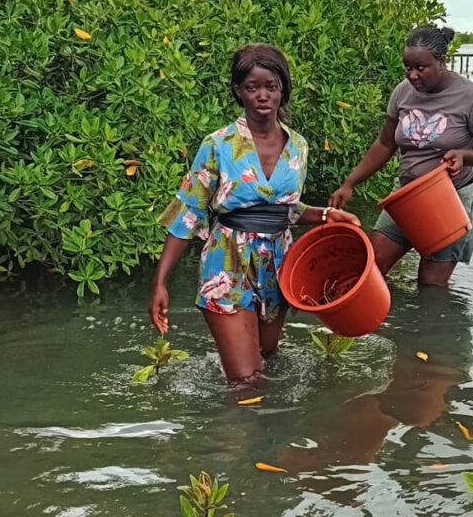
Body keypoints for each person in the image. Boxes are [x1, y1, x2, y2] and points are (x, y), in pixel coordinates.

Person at [149, 44, 360, 384]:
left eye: (271, 87)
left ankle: (263, 433)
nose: (262, 95)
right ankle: (233, 433)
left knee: (267, 359)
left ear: (282, 90)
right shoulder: (218, 144)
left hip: (279, 265)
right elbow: (188, 212)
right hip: (227, 261)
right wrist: (160, 283)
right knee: (246, 381)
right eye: (252, 87)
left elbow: (285, 209)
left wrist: (324, 216)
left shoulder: (299, 146)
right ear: (238, 91)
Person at [329, 25, 473, 287]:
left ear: (441, 62)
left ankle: (430, 328)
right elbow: (384, 144)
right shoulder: (402, 92)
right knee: (368, 269)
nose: (412, 76)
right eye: (407, 67)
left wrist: (464, 155)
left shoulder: (472, 98)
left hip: (451, 201)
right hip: (407, 197)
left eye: (420, 68)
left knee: (431, 285)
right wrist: (350, 182)